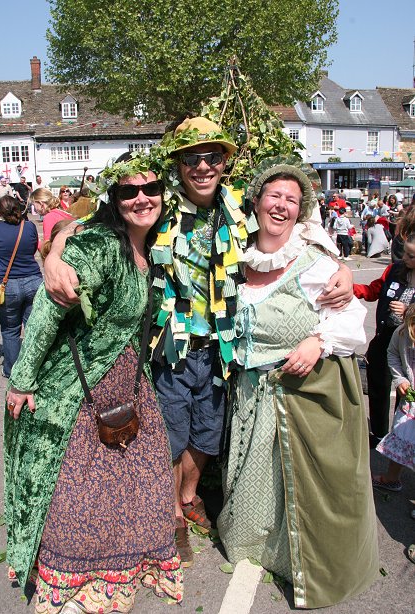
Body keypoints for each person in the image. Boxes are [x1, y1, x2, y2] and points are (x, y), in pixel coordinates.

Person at [41, 117, 354, 567]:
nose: (203, 166)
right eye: (192, 158)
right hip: (172, 349)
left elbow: (300, 231)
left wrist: (340, 266)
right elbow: (84, 223)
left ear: (225, 163)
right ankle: (169, 516)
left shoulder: (240, 206)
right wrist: (55, 253)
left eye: (212, 157)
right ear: (179, 165)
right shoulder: (160, 206)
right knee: (170, 435)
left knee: (207, 435)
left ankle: (189, 496)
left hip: (225, 350)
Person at [4, 158, 183, 612]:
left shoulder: (158, 240)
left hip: (128, 386)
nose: (142, 198)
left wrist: (61, 233)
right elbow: (49, 309)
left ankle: (117, 575)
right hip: (81, 391)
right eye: (129, 192)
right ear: (115, 200)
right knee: (78, 498)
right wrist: (22, 379)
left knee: (136, 488)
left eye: (151, 188)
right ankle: (75, 585)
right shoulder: (103, 246)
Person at [217, 160, 378, 609]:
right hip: (249, 393)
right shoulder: (235, 256)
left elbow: (350, 318)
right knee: (255, 485)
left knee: (297, 486)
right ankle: (257, 550)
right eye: (274, 196)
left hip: (294, 394)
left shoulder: (313, 263)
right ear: (256, 201)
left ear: (301, 209)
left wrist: (317, 339)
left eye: (291, 199)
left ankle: (299, 564)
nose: (282, 205)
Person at [354, 234, 415, 446]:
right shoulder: (395, 270)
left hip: (410, 348)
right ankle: (379, 433)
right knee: (378, 386)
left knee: (406, 394)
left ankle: (402, 439)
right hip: (386, 338)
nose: (404, 258)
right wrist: (350, 289)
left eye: (411, 256)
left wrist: (409, 312)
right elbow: (374, 290)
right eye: (405, 253)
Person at [0, 196, 42, 377]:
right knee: (34, 326)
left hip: (8, 283)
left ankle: (12, 370)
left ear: (0, 212)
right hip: (33, 279)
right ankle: (36, 366)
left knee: (10, 329)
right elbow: (33, 249)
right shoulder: (30, 226)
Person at [372, 303, 415, 491]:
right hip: (410, 401)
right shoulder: (401, 333)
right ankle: (392, 478)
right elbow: (393, 354)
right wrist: (400, 379)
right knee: (401, 436)